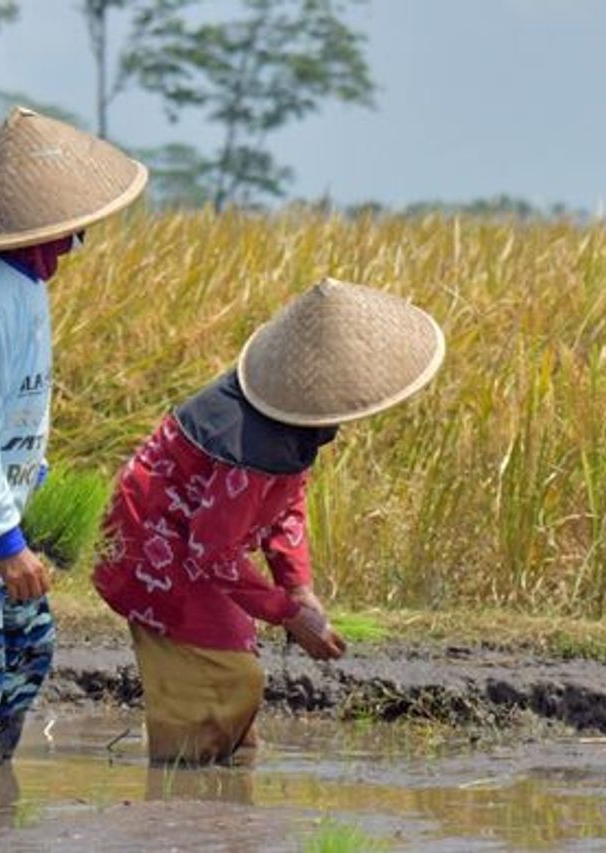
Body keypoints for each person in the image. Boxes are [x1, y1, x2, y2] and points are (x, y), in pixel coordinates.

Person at [93, 278, 445, 765]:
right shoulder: (250, 438)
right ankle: (177, 805)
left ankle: (225, 792)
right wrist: (289, 615)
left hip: (195, 548)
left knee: (235, 680)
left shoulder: (291, 417)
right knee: (227, 676)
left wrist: (298, 587)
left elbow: (286, 504)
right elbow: (211, 553)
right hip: (158, 548)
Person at [0, 108, 147, 775]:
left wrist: (33, 491)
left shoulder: (27, 287)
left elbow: (20, 412)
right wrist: (7, 545)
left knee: (30, 653)